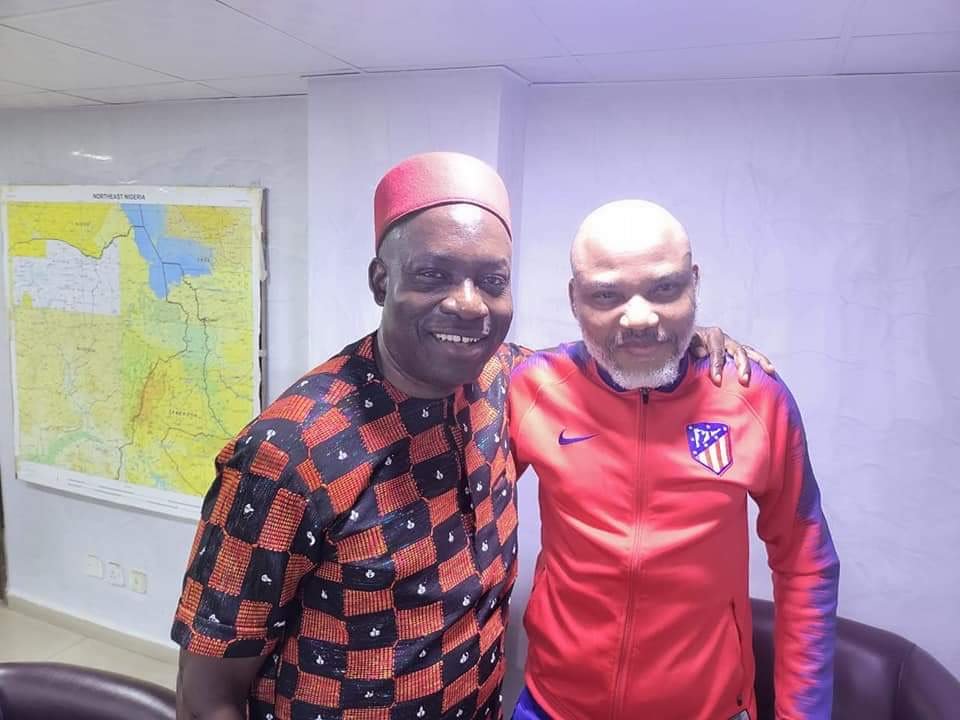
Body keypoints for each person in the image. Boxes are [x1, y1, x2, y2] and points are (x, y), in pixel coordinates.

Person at [172, 155, 761, 720]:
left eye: (492, 280)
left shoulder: (508, 384)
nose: (468, 303)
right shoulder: (287, 453)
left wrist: (679, 340)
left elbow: (611, 358)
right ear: (381, 281)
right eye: (433, 275)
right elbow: (206, 698)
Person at [509, 200, 839, 720]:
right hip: (555, 707)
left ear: (694, 284)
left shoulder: (753, 397)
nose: (640, 318)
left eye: (664, 289)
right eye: (607, 295)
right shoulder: (531, 388)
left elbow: (806, 564)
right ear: (574, 298)